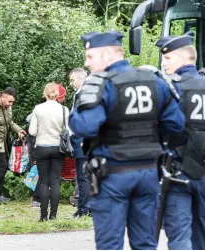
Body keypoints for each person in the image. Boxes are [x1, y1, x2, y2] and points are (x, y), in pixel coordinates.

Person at [69, 31, 185, 249]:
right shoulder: (154, 81)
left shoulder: (102, 84)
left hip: (112, 174)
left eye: (90, 57)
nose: (87, 64)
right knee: (145, 244)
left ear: (107, 55)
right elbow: (177, 126)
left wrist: (78, 109)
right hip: (149, 174)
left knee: (110, 244)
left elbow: (84, 126)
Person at [155, 31, 205, 250]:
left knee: (179, 238)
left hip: (177, 173)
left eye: (168, 58)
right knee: (201, 237)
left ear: (184, 58)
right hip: (203, 172)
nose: (164, 63)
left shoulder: (170, 87)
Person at [28, 82, 69, 221]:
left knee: (44, 181)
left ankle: (43, 215)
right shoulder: (64, 109)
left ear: (45, 93)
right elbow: (69, 130)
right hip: (58, 148)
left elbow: (32, 131)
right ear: (57, 94)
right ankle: (54, 215)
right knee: (55, 181)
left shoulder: (38, 109)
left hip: (42, 147)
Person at [68, 68, 91, 218]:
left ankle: (83, 209)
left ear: (81, 79)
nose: (71, 83)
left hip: (83, 140)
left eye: (72, 80)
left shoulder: (84, 95)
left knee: (83, 177)